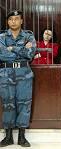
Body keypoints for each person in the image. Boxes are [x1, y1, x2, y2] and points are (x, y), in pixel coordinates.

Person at [0, 10, 36, 147]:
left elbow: (30, 54)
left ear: (21, 21)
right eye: (11, 19)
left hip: (24, 73)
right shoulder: (1, 37)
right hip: (6, 73)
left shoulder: (29, 36)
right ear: (8, 22)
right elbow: (2, 55)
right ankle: (8, 136)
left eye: (16, 19)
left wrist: (12, 48)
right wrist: (20, 49)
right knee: (8, 104)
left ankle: (22, 136)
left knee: (24, 104)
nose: (13, 21)